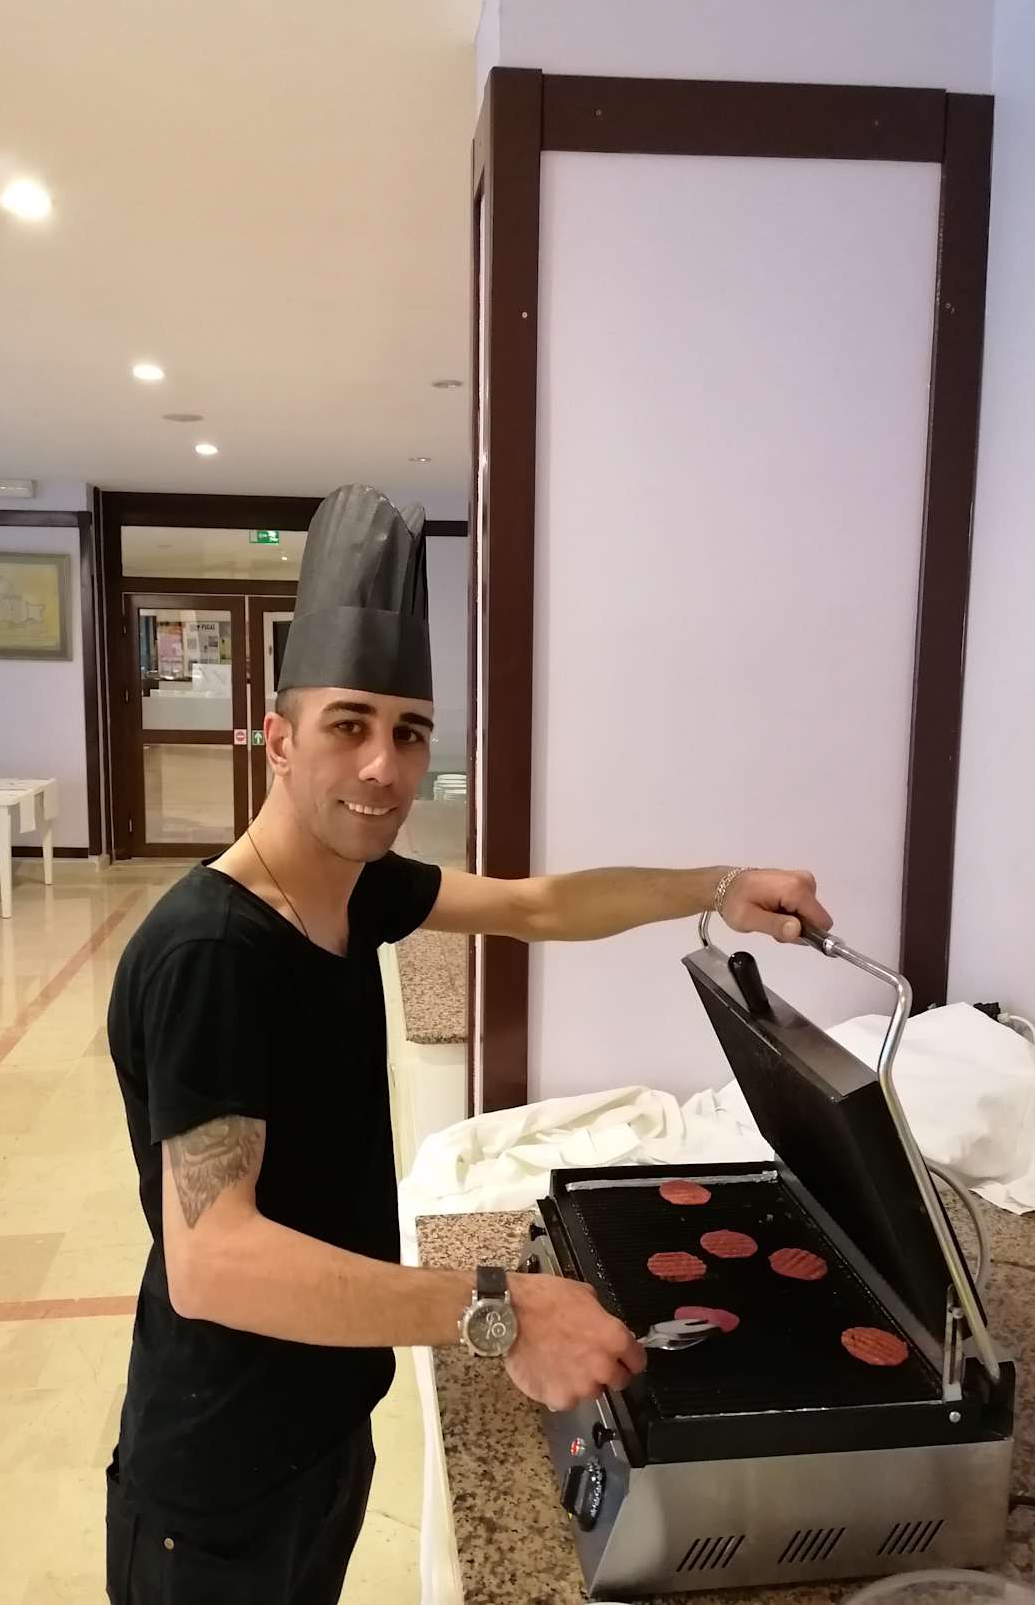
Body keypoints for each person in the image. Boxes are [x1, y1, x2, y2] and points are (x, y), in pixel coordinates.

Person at [104, 484, 833, 1604]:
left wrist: (720, 886)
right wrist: (501, 1308)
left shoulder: (351, 890)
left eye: (409, 733)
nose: (383, 767)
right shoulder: (215, 953)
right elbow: (215, 1264)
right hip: (218, 1476)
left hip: (321, 1423)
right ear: (278, 739)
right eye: (348, 726)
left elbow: (539, 905)